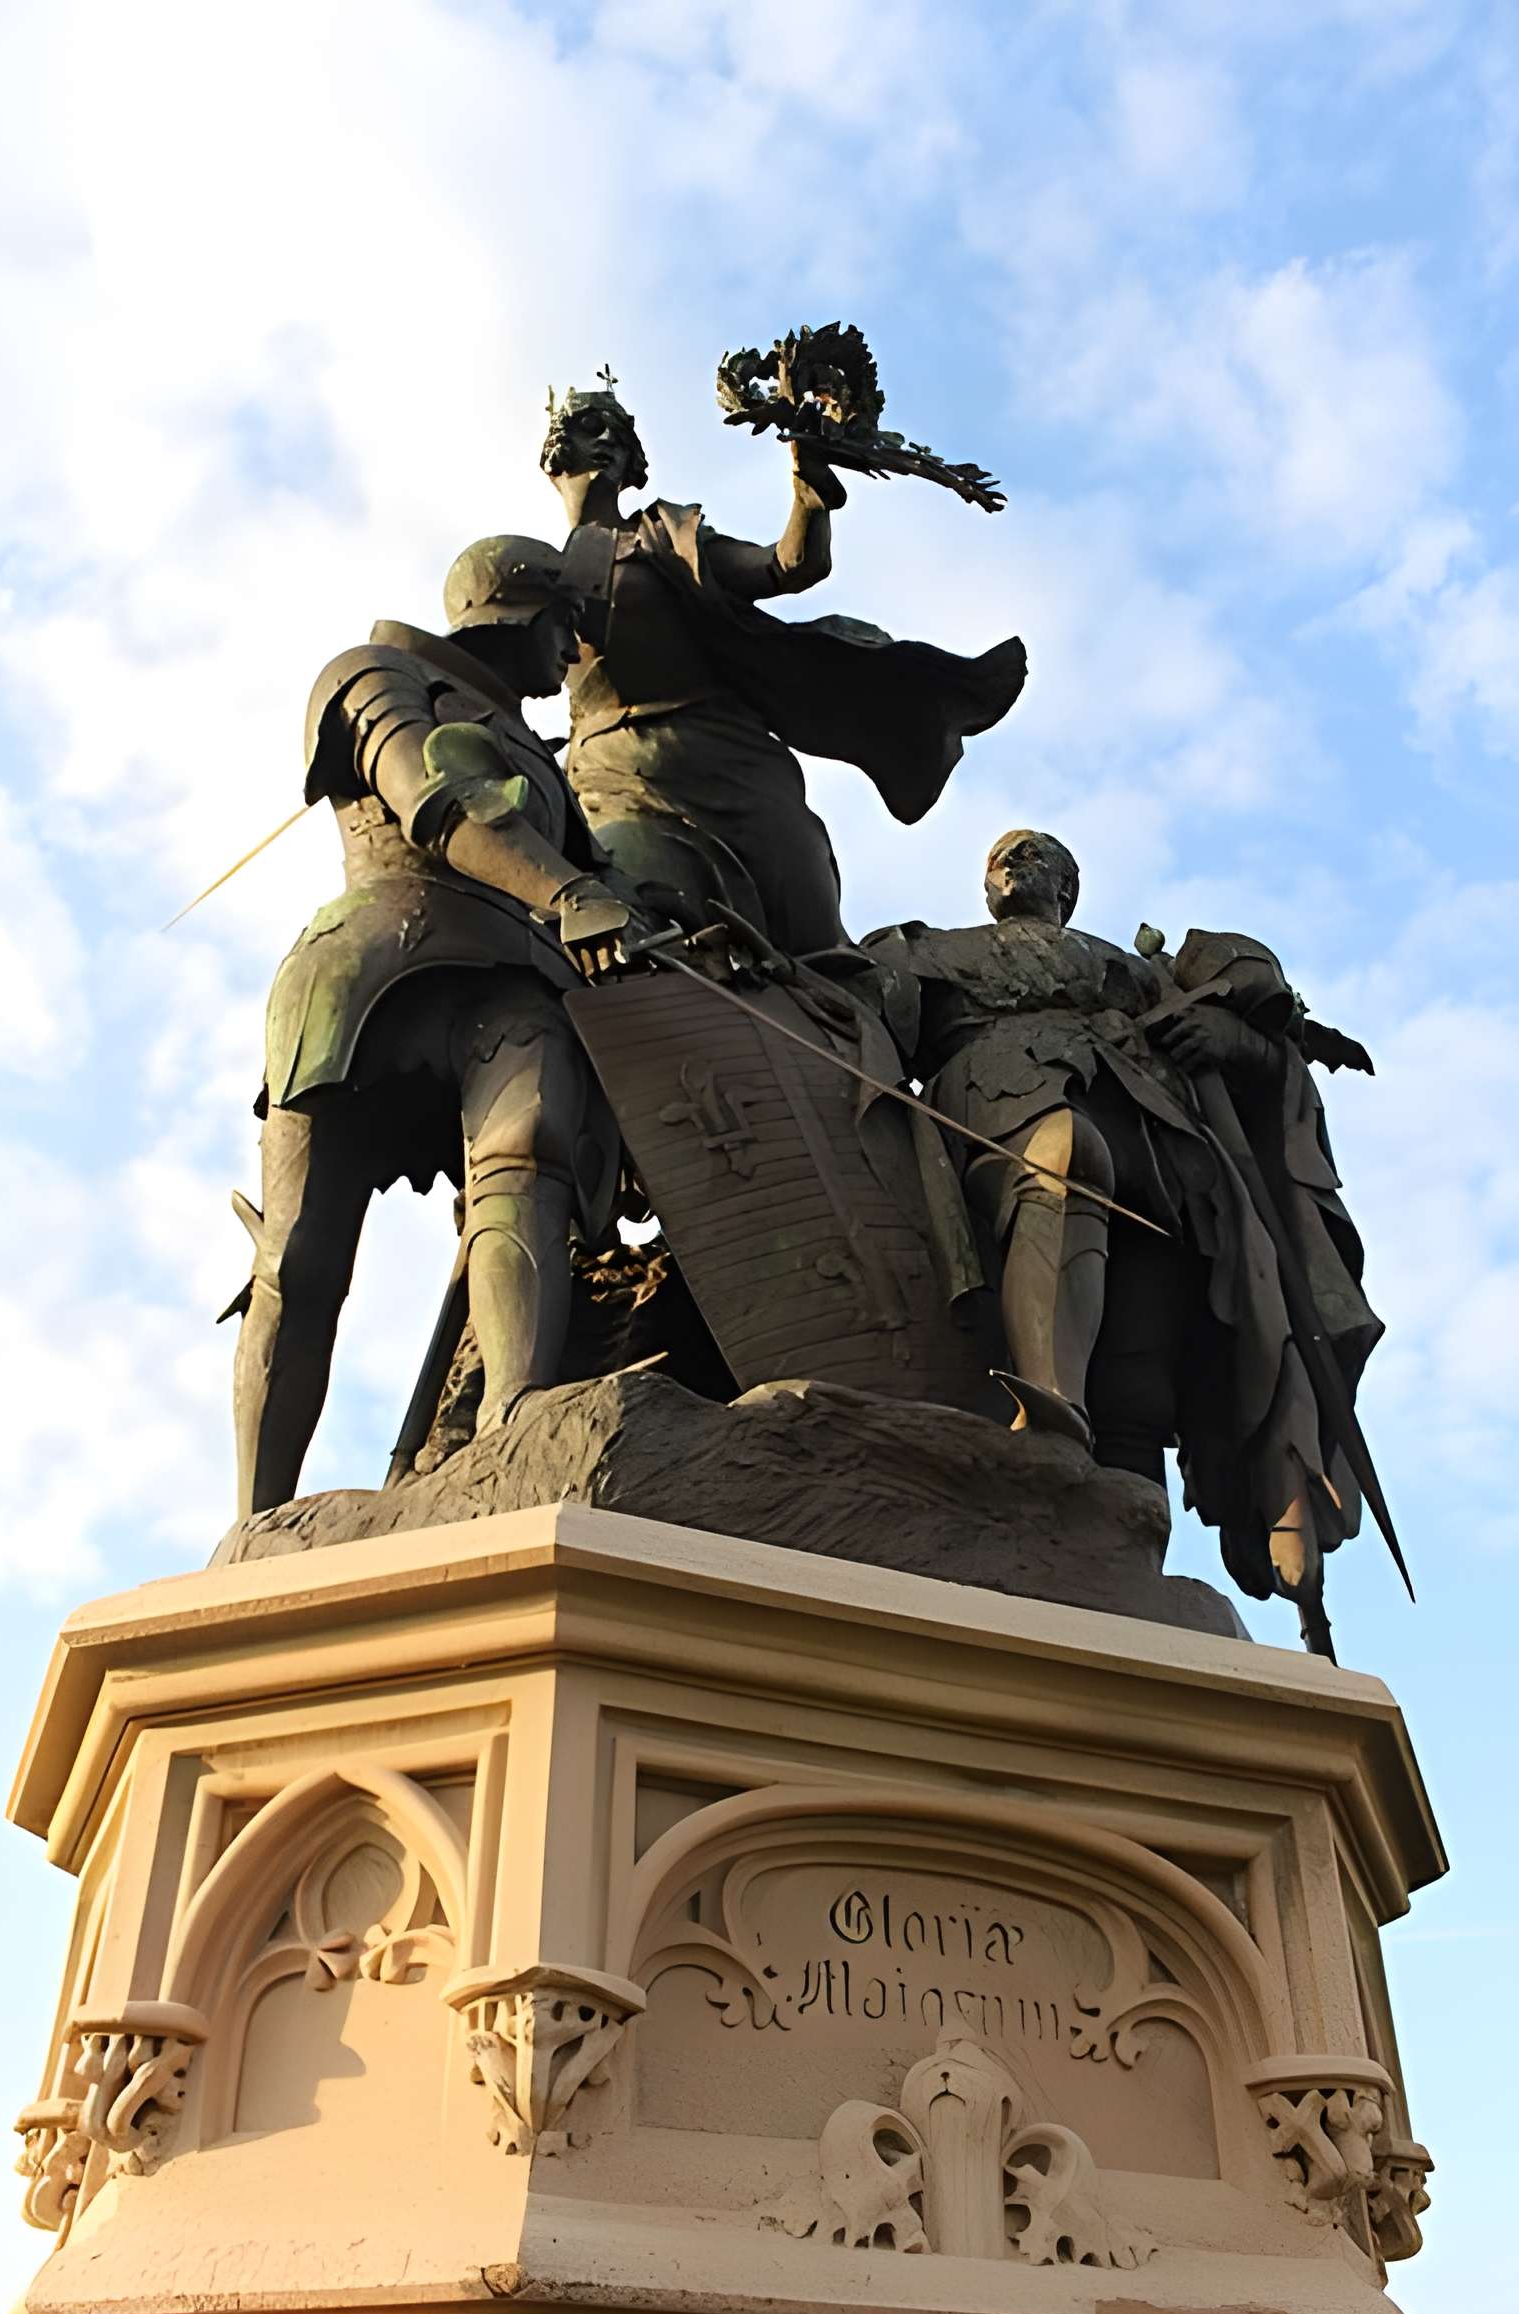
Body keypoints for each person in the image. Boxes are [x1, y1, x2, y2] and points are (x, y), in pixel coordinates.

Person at [228, 535, 664, 1519]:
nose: (573, 652)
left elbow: (612, 883)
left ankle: (514, 1428)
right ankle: (255, 1515)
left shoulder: (543, 762)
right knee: (298, 1258)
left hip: (515, 980)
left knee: (529, 1150)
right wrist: (566, 895)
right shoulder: (373, 674)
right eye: (564, 626)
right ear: (518, 611)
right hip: (372, 966)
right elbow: (436, 799)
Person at [865, 829, 1384, 1612]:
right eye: (1000, 857)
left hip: (1162, 1159)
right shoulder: (925, 951)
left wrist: (1234, 1038)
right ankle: (1051, 1420)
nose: (1013, 864)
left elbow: (1250, 1043)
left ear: (1068, 890)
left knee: (1140, 1383)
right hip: (1002, 1117)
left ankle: (1130, 1570)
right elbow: (842, 999)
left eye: (1035, 855)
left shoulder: (1134, 973)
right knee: (1065, 1153)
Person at [542, 380, 1027, 956]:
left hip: (731, 761)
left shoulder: (663, 536)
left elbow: (788, 566)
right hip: (617, 779)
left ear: (633, 464)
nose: (606, 442)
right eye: (589, 427)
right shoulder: (531, 570)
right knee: (634, 922)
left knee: (816, 944)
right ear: (555, 452)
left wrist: (808, 489)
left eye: (619, 437)